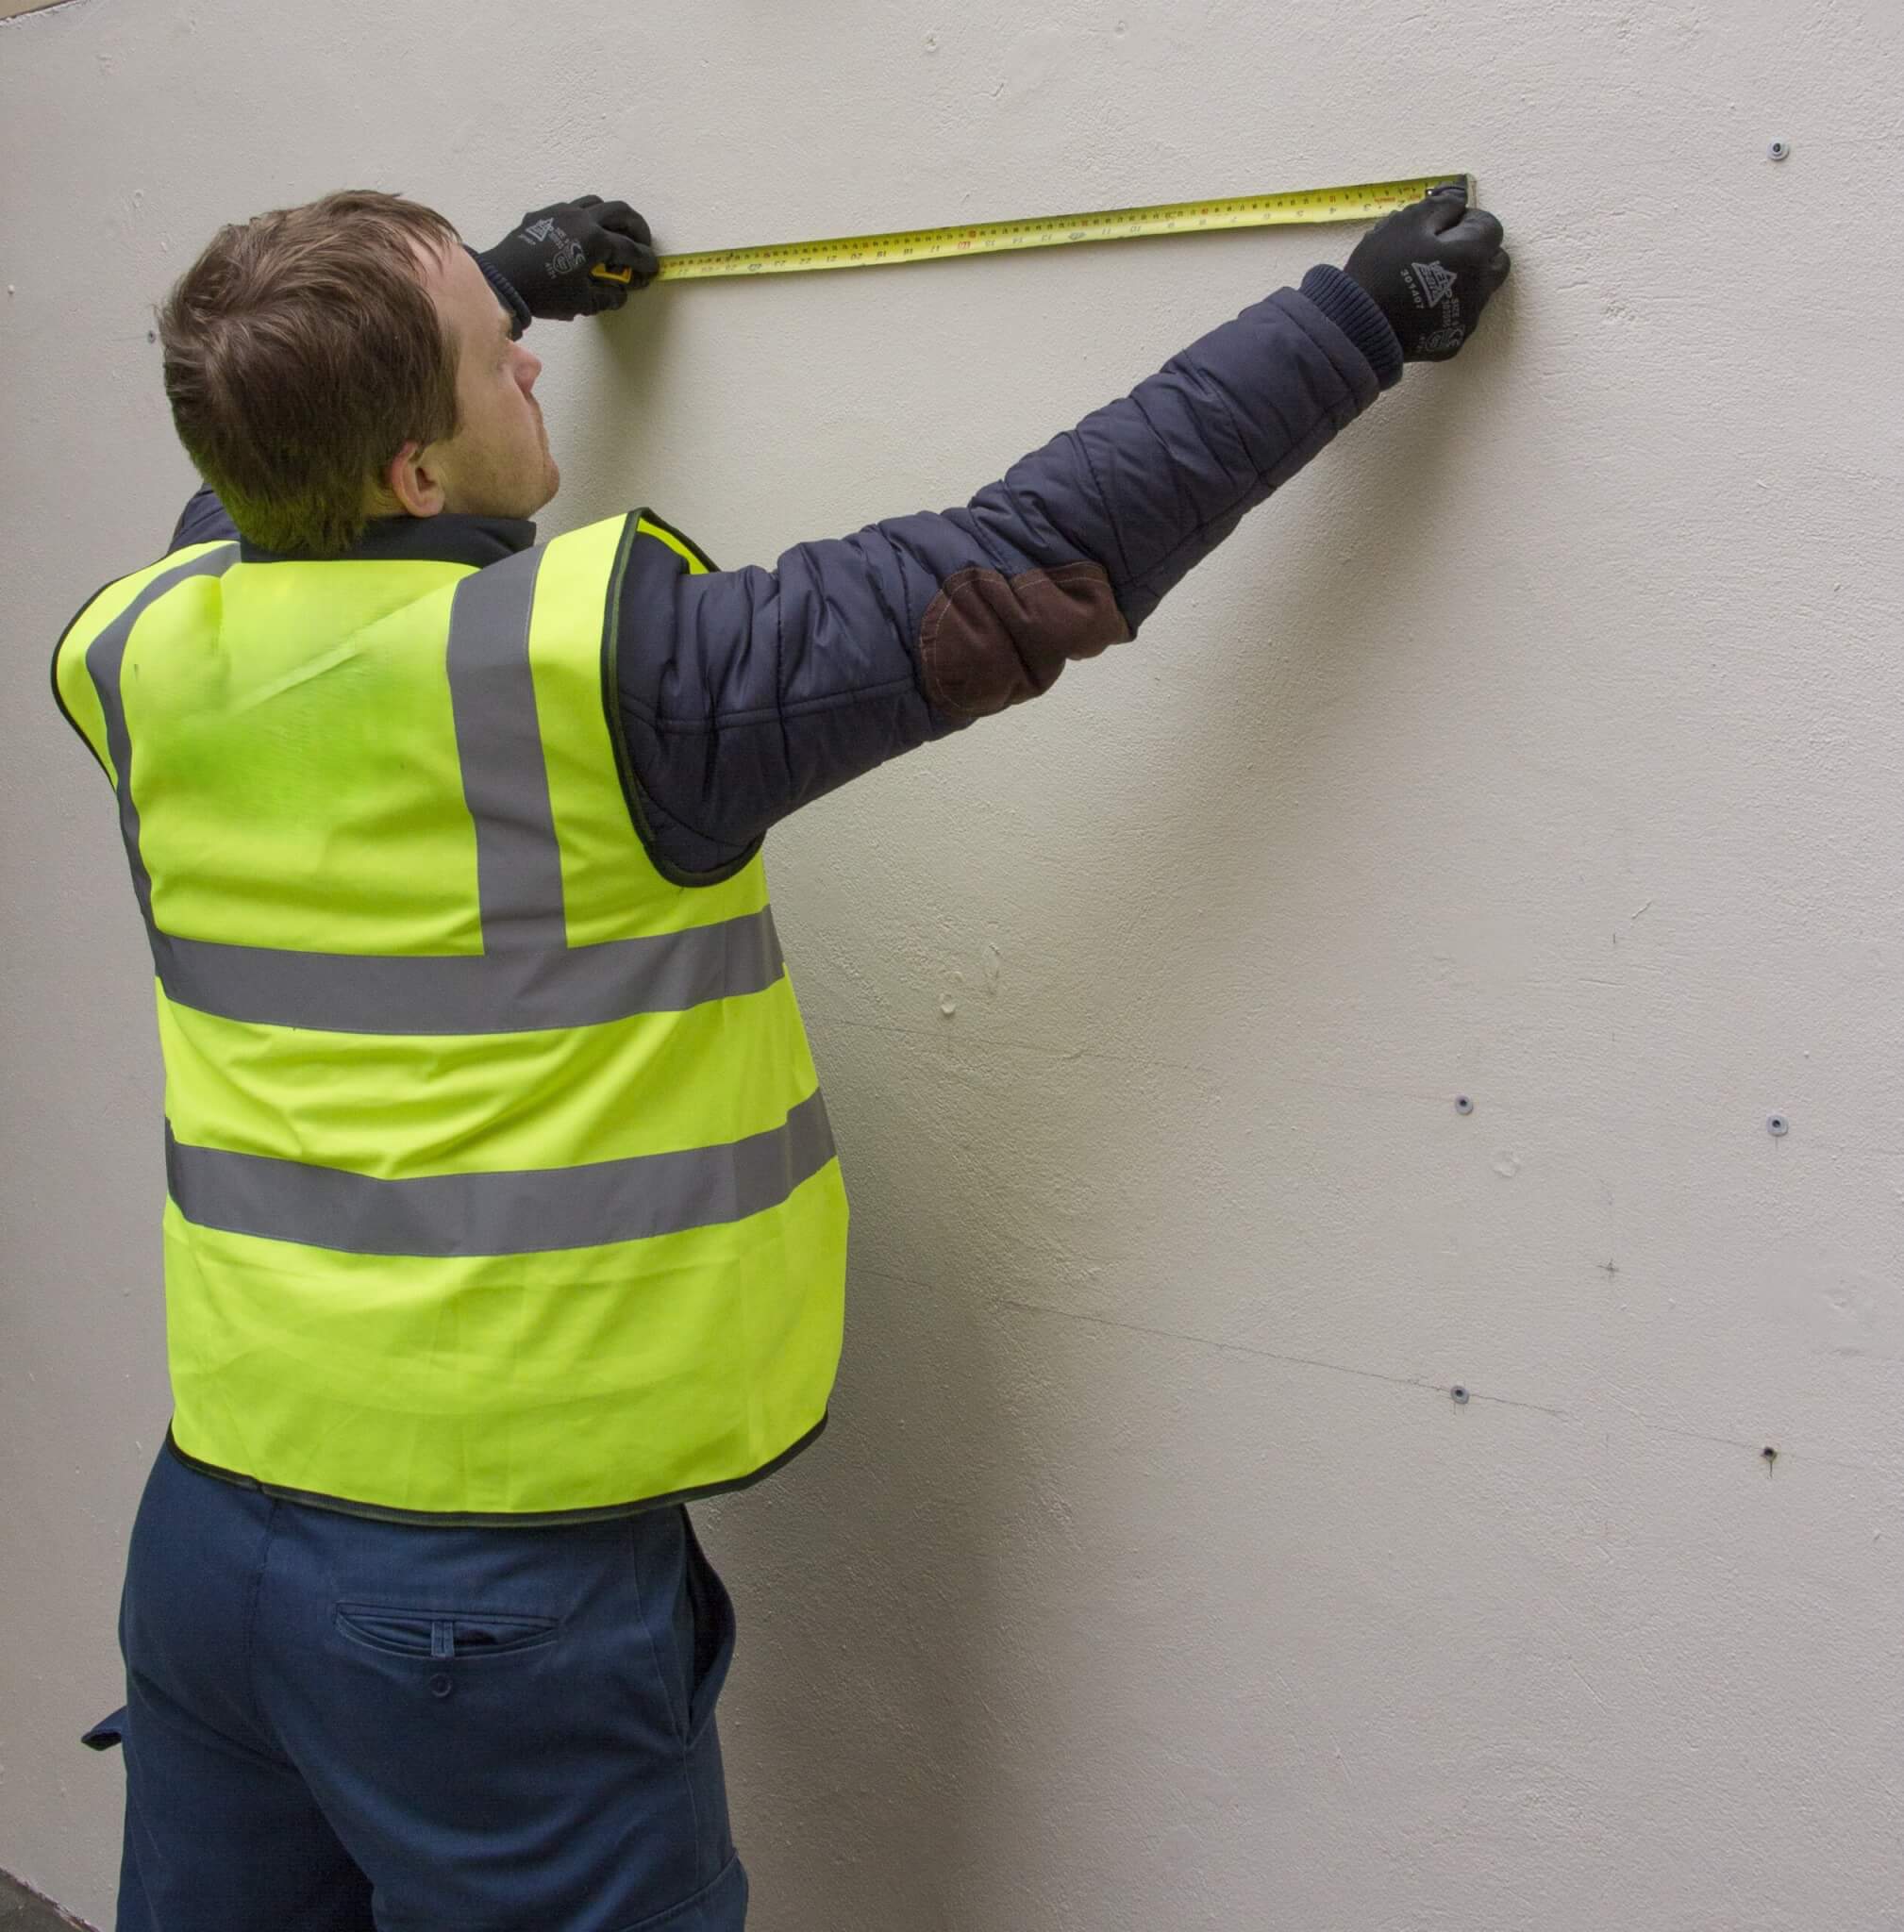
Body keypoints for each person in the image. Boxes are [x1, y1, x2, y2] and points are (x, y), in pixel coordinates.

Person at [52, 182, 1510, 1930]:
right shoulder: (607, 684)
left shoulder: (139, 647)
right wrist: (1351, 328)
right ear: (412, 478)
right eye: (485, 350)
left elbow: (249, 482)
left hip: (213, 1551)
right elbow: (1019, 565)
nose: (525, 356)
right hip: (478, 1609)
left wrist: (501, 281)